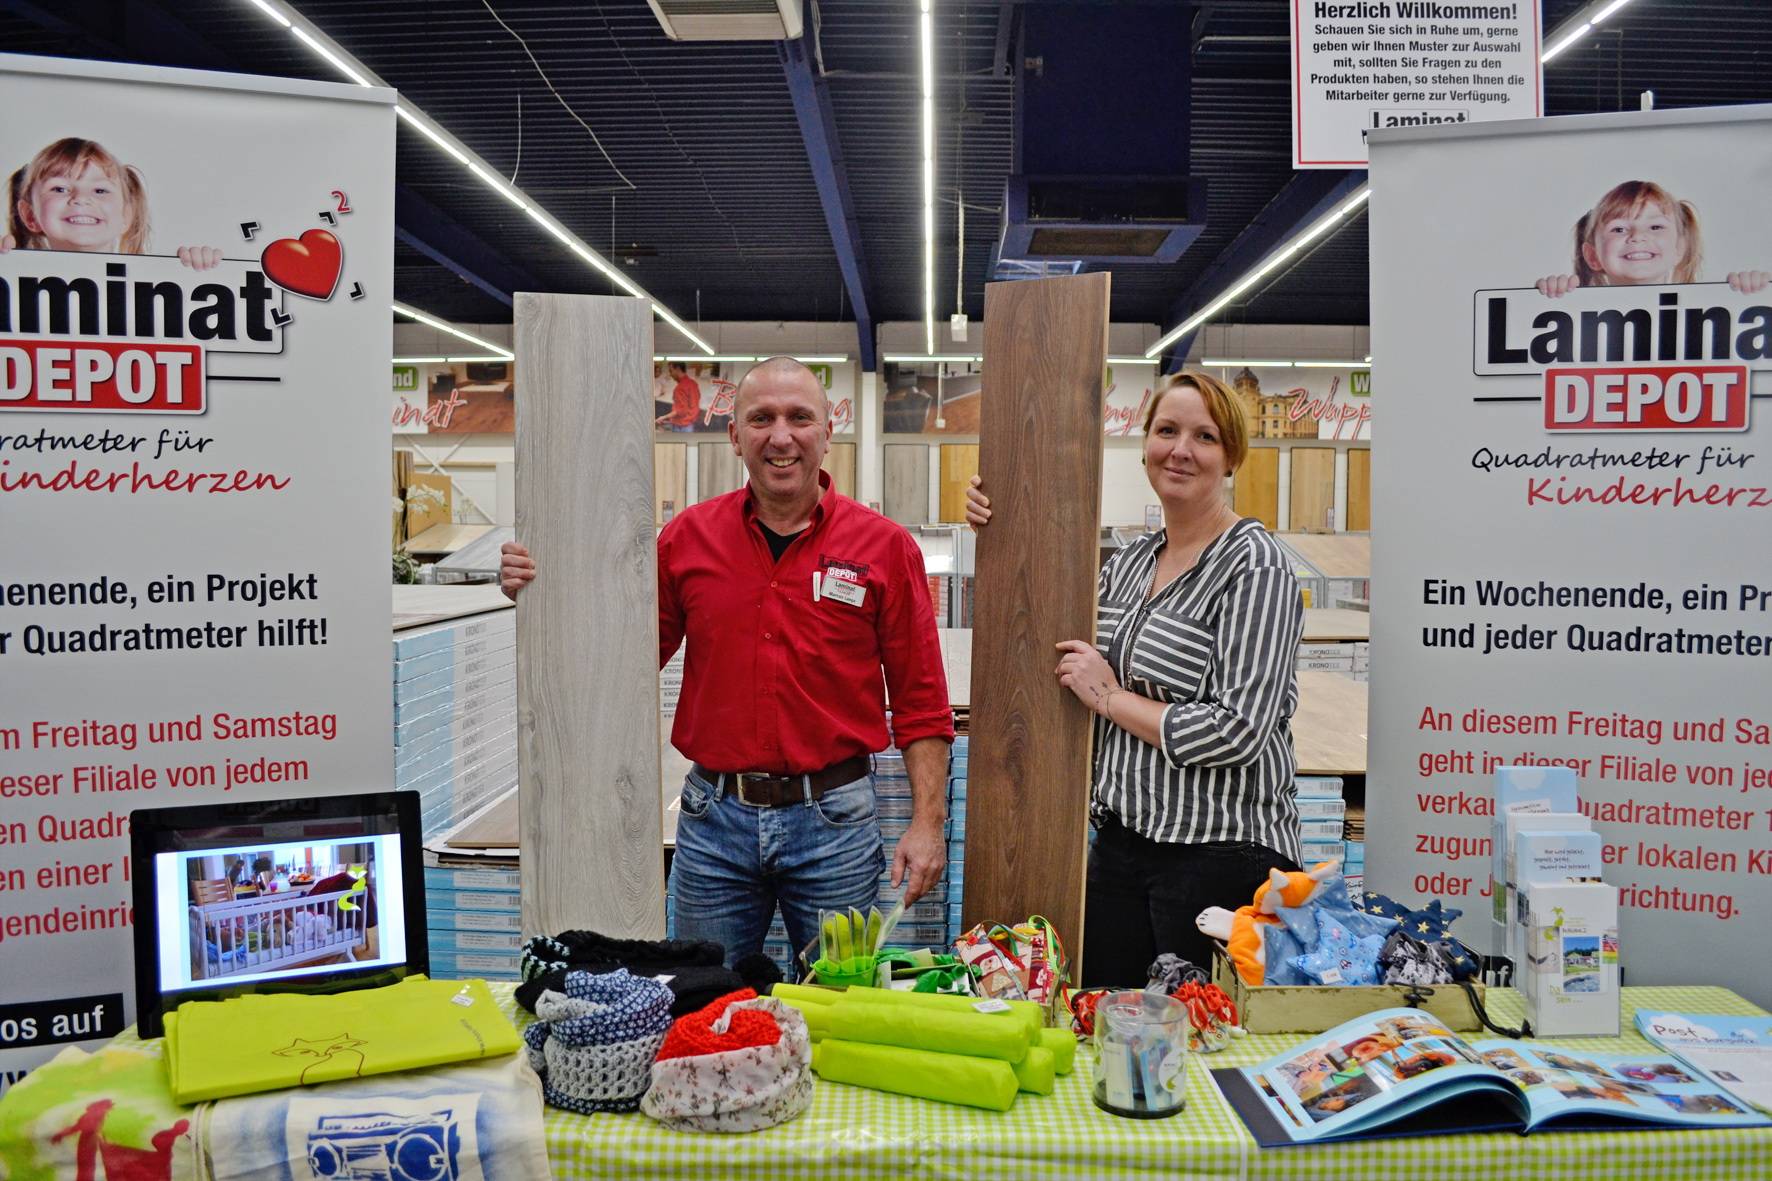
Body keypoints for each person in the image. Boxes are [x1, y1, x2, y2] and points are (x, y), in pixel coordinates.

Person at [501, 357, 952, 966]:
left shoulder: (885, 548)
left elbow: (921, 701)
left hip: (836, 826)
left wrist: (929, 824)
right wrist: (540, 589)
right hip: (714, 824)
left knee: (839, 1009)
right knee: (698, 1000)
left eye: (800, 418)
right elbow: (617, 659)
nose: (781, 436)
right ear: (735, 435)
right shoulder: (686, 540)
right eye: (761, 419)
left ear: (828, 432)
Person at [965, 370, 1303, 986]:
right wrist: (999, 522)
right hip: (1123, 845)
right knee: (1108, 1029)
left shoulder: (1256, 565)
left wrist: (1111, 697)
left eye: (1204, 437)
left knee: (1201, 1044)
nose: (1181, 449)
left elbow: (1239, 730)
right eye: (1167, 430)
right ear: (1145, 444)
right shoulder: (1128, 563)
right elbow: (1042, 623)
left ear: (1230, 458)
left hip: (1219, 853)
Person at [3, 137, 219, 268]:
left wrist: (199, 267)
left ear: (126, 216)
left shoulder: (150, 283)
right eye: (59, 189)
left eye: (100, 190)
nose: (81, 198)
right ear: (30, 215)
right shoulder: (12, 275)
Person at [1535, 179, 1766, 297]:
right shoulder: (1574, 308)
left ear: (1680, 248)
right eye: (1619, 229)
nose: (1637, 237)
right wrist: (1552, 296)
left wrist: (1752, 293)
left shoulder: (1708, 310)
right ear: (1592, 256)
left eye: (1655, 226)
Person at [655, 361, 702, 431]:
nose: (670, 374)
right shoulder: (693, 384)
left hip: (681, 427)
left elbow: (681, 411)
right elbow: (692, 406)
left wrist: (663, 417)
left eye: (671, 371)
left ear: (678, 369)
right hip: (690, 425)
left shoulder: (680, 388)